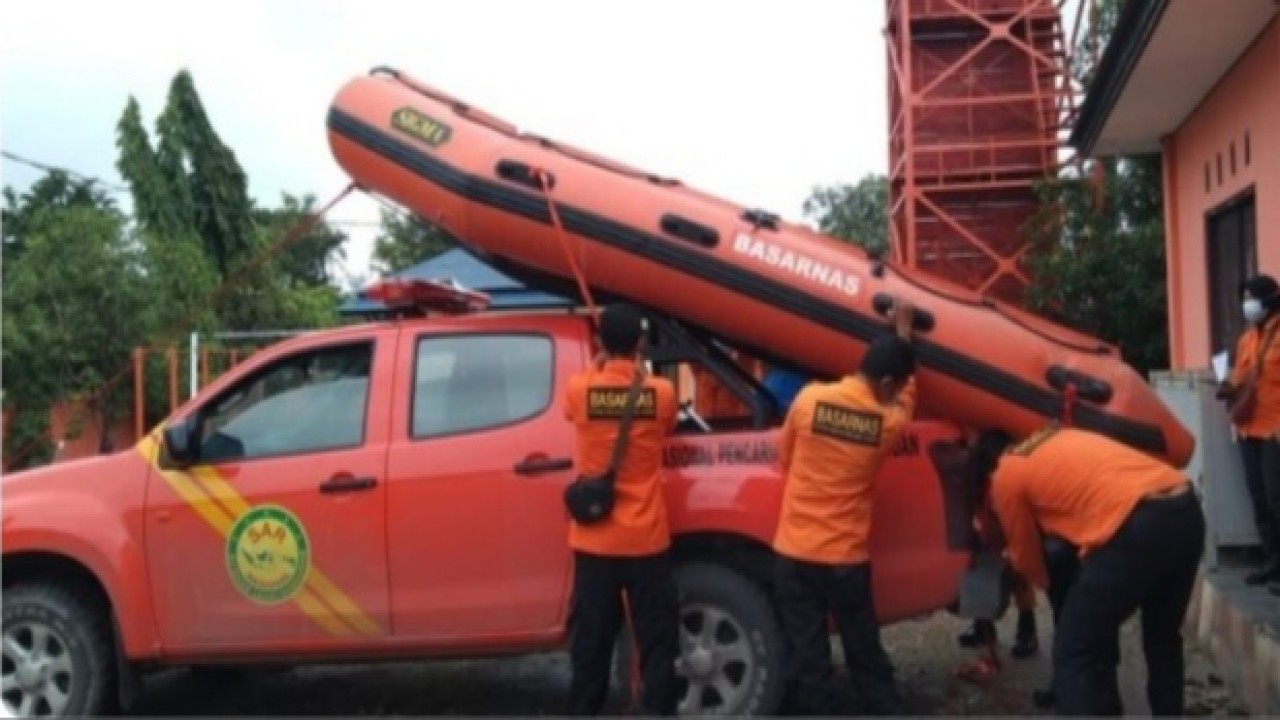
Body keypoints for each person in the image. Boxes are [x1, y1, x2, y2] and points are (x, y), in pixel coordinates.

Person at [971, 424, 1205, 716]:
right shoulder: (1055, 435)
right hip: (1185, 509)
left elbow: (1029, 562)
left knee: (1074, 650)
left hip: (1136, 524)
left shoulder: (1005, 475)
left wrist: (1046, 584)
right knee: (1162, 638)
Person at [772, 299, 918, 715]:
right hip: (843, 561)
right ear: (888, 383)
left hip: (795, 554)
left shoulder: (807, 400)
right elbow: (906, 395)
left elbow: (784, 459)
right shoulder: (886, 425)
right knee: (865, 655)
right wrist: (904, 331)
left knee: (809, 659)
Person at [562, 304, 680, 716]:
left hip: (595, 541)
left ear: (599, 344)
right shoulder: (660, 393)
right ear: (640, 344)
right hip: (646, 539)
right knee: (657, 643)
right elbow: (667, 425)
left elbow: (570, 411)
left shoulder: (579, 389)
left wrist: (598, 369)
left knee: (591, 643)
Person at [1219, 274, 1280, 590]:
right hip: (1248, 429)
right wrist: (1226, 387)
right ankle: (1271, 562)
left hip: (1275, 430)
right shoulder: (1247, 339)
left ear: (1268, 300)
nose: (1247, 305)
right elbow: (1241, 377)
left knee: (1276, 498)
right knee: (1258, 499)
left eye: (1251, 298)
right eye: (1244, 298)